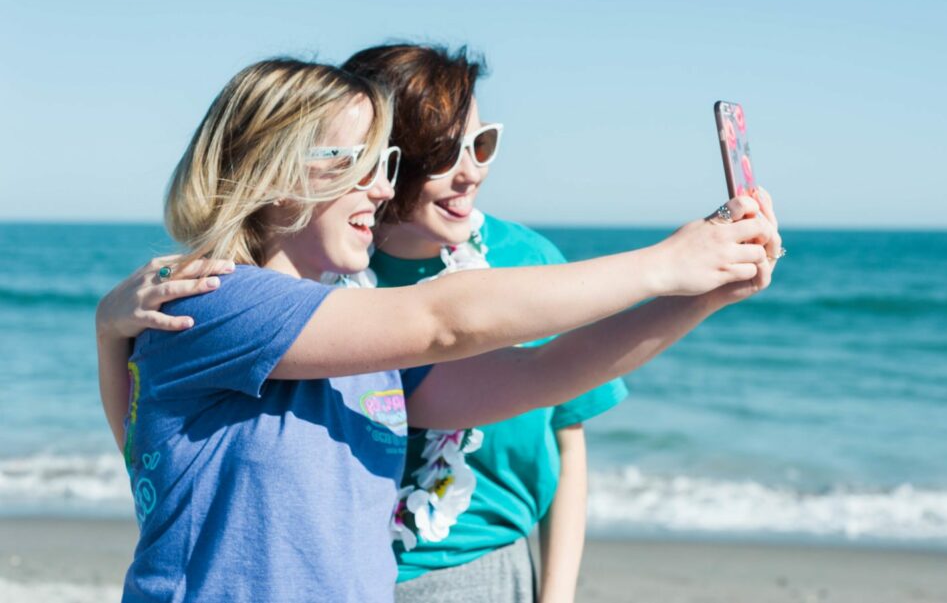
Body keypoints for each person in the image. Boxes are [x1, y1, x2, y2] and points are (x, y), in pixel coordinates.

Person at [95, 57, 781, 603]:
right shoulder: (212, 302)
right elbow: (444, 319)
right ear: (275, 173)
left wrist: (708, 293)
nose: (380, 188)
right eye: (357, 163)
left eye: (385, 163)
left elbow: (545, 374)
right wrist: (667, 263)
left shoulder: (358, 337)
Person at [341, 43, 623, 603]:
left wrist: (558, 594)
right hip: (338, 571)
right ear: (385, 159)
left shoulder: (526, 260)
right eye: (444, 154)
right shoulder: (330, 266)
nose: (470, 173)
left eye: (482, 143)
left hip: (479, 568)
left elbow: (568, 440)